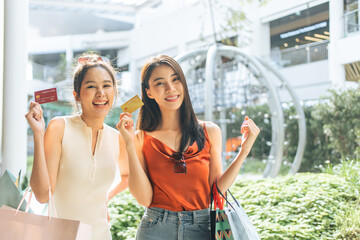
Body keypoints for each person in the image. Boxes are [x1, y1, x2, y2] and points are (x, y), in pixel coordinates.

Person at [116, 55, 260, 240]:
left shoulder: (210, 131)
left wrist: (243, 151)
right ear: (149, 92)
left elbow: (215, 192)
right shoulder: (140, 138)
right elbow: (144, 199)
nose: (171, 88)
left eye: (176, 79)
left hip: (202, 228)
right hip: (156, 228)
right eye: (160, 83)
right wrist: (129, 143)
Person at [25, 53, 129, 240]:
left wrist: (106, 197)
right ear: (77, 95)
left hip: (100, 234)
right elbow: (42, 194)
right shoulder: (59, 127)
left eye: (107, 85)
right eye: (91, 86)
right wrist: (38, 134)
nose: (101, 93)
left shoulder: (117, 137)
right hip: (62, 235)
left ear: (114, 91)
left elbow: (127, 175)